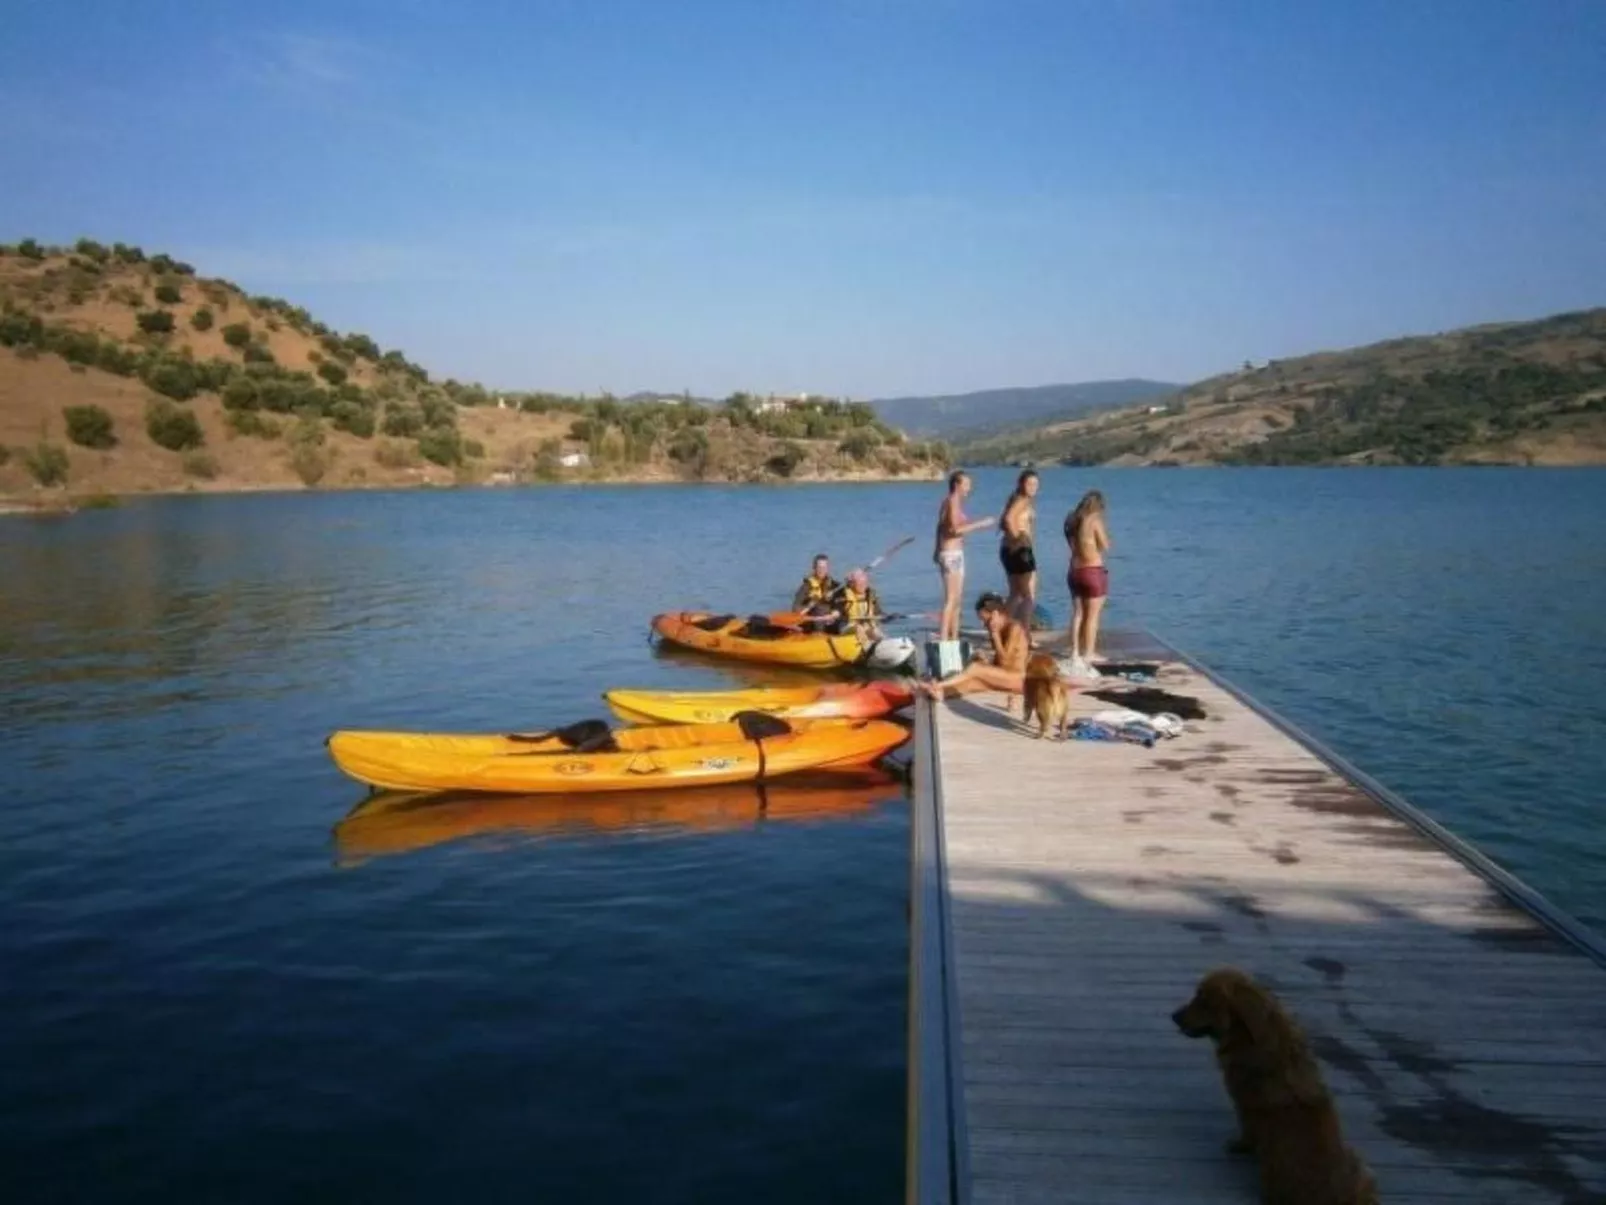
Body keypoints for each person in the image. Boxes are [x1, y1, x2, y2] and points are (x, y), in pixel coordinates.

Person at [915, 591, 1030, 702]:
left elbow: (1006, 662)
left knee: (975, 668)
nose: (985, 625)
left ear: (995, 614)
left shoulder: (1015, 629)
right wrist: (986, 660)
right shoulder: (997, 629)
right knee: (974, 683)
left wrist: (995, 636)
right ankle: (942, 693)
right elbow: (999, 662)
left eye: (986, 620)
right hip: (1005, 677)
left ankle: (939, 684)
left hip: (1019, 680)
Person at [933, 470, 996, 642]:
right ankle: (945, 638)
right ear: (957, 485)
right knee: (951, 600)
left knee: (957, 600)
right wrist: (981, 524)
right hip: (951, 554)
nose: (969, 488)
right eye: (966, 484)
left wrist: (936, 550)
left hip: (951, 553)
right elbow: (954, 530)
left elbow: (940, 527)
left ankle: (954, 637)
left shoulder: (950, 502)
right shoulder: (952, 501)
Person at [1064, 489, 1111, 668]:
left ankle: (1075, 651)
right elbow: (1105, 545)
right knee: (1092, 616)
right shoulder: (1094, 520)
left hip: (1074, 571)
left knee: (1077, 613)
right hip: (1092, 571)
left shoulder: (1072, 521)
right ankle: (1089, 653)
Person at [998, 469, 1040, 631]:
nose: (1033, 487)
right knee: (1028, 595)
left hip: (1007, 550)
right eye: (1029, 483)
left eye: (1036, 484)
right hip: (1020, 551)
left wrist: (1014, 537)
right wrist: (1019, 539)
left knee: (1015, 594)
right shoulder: (1023, 501)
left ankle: (1001, 628)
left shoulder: (1014, 499)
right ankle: (1025, 634)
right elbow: (1008, 520)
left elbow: (1003, 522)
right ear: (1021, 484)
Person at [829, 567, 884, 643]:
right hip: (848, 626)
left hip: (867, 625)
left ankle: (883, 644)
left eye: (864, 583)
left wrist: (885, 616)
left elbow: (878, 612)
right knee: (859, 628)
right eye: (860, 584)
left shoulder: (870, 594)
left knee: (875, 630)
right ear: (852, 584)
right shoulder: (843, 594)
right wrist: (835, 613)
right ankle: (865, 648)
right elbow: (838, 609)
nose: (863, 586)